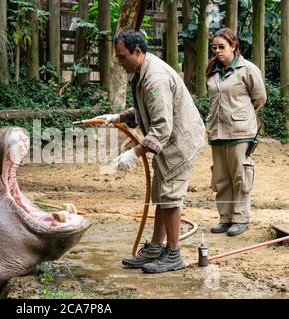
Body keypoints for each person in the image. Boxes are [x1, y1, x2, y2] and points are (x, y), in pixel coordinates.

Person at [96, 30, 205, 273]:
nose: (119, 62)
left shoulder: (155, 78)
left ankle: (174, 253)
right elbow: (144, 112)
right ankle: (157, 247)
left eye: (122, 57)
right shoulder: (141, 72)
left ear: (137, 52)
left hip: (179, 140)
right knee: (161, 193)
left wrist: (132, 154)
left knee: (171, 195)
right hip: (169, 139)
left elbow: (162, 127)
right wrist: (117, 117)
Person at [206, 28, 266, 236]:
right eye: (215, 48)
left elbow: (259, 98)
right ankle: (226, 218)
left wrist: (241, 116)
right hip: (217, 132)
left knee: (240, 175)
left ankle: (241, 218)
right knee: (221, 177)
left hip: (240, 132)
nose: (217, 51)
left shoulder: (248, 69)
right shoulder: (213, 71)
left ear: (234, 46)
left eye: (222, 47)